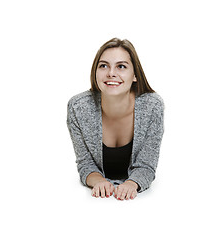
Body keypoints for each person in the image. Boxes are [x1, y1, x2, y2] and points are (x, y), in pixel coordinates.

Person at [67, 38, 164, 200]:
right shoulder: (78, 107)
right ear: (95, 72)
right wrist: (98, 181)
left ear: (135, 75)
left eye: (121, 66)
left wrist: (132, 184)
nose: (111, 73)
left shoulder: (152, 106)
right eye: (103, 65)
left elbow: (147, 165)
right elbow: (85, 164)